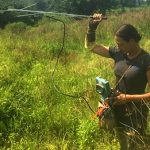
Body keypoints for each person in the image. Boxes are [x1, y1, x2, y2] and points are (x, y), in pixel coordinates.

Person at [85, 14, 150, 150]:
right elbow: (91, 47)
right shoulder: (119, 52)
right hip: (117, 110)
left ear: (132, 41)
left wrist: (127, 98)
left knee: (136, 146)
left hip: (135, 116)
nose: (117, 47)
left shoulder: (146, 61)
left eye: (121, 44)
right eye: (116, 44)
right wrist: (92, 28)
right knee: (122, 144)